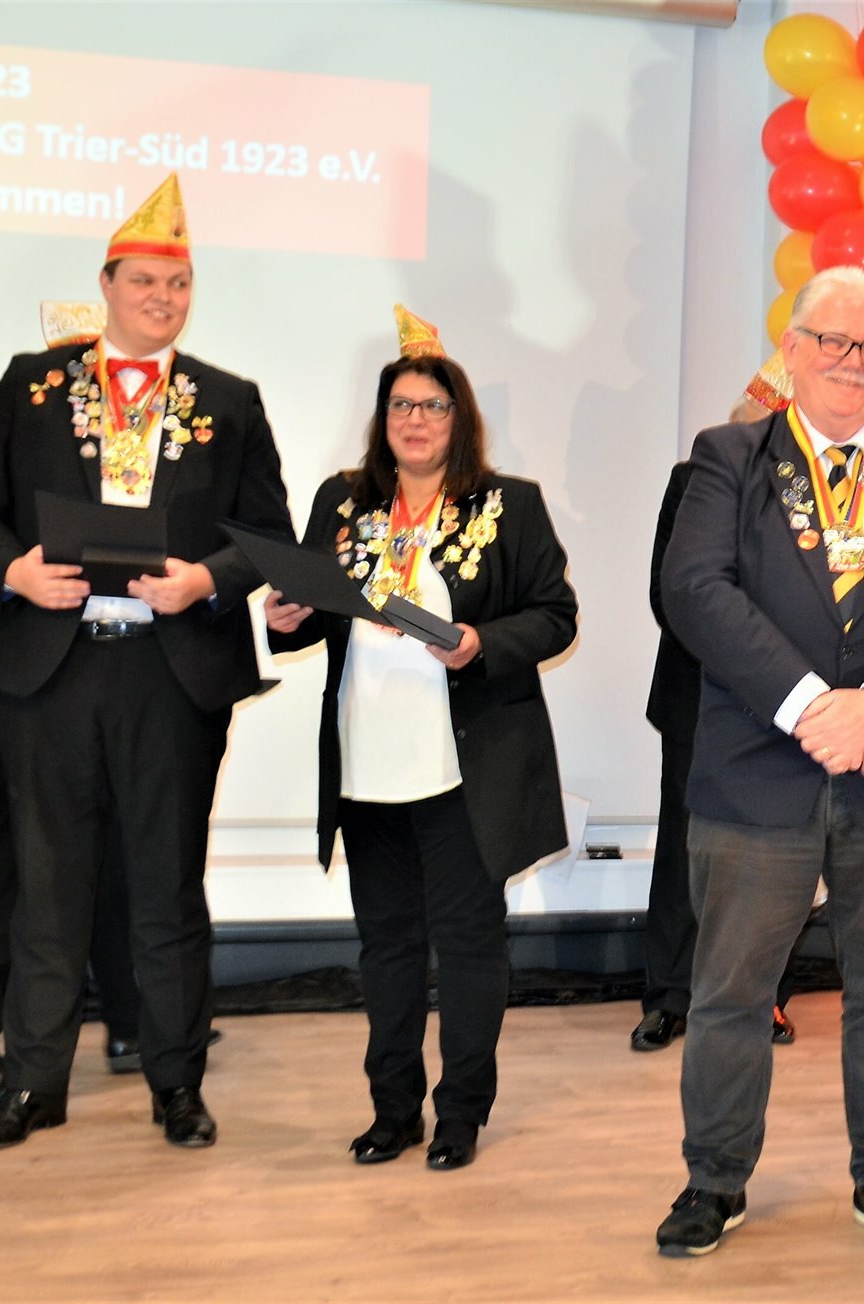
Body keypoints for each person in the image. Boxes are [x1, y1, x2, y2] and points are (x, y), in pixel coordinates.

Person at [0, 175, 293, 1151]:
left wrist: (207, 581)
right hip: (50, 670)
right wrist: (14, 570)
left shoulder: (228, 400)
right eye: (143, 280)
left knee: (168, 886)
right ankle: (33, 1086)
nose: (161, 297)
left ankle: (176, 1085)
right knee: (48, 886)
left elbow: (267, 534)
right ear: (105, 284)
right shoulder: (32, 384)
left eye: (177, 284)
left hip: (168, 673)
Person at [654, 266, 864, 1258]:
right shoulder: (729, 456)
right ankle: (714, 1179)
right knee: (731, 992)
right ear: (793, 350)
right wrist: (810, 707)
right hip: (759, 770)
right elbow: (693, 588)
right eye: (833, 342)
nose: (852, 362)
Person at [264, 306, 577, 1170]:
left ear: (459, 418)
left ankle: (461, 1115)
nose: (415, 419)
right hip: (366, 763)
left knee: (470, 944)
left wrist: (480, 643)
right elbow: (311, 611)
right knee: (388, 945)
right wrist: (286, 617)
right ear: (383, 417)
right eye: (401, 404)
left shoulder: (511, 505)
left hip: (462, 767)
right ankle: (392, 1110)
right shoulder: (342, 500)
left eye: (433, 406)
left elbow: (556, 616)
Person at [635, 352, 823, 1054]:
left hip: (786, 702)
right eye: (752, 429)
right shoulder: (692, 481)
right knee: (682, 851)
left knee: (779, 853)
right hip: (698, 693)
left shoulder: (820, 490)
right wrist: (743, 658)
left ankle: (767, 995)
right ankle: (669, 996)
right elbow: (669, 593)